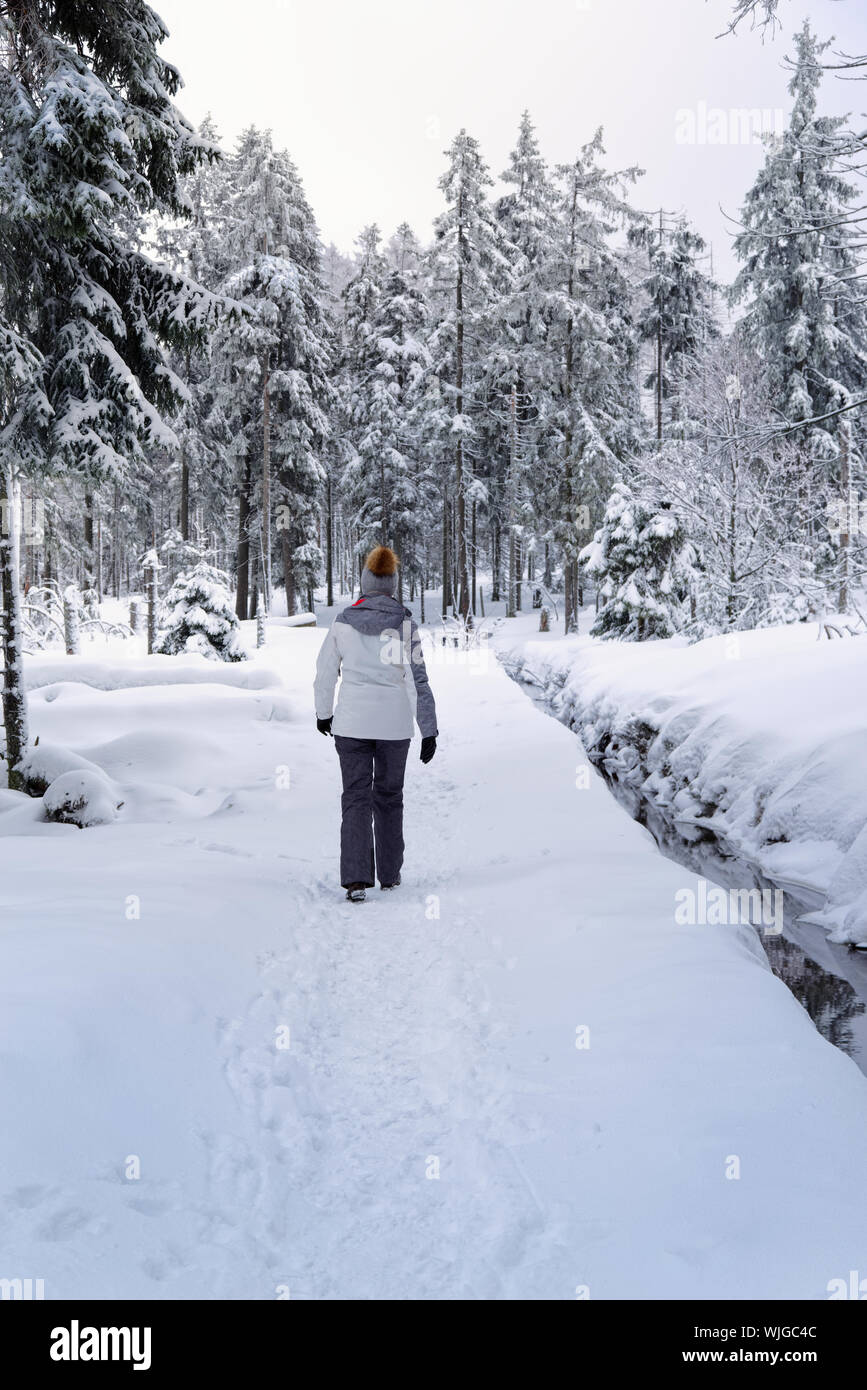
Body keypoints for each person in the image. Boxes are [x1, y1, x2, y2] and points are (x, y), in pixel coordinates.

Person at [314, 545, 438, 902]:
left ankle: (355, 880)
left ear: (365, 584)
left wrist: (324, 712)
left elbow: (325, 672)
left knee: (355, 797)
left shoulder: (342, 622)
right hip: (394, 727)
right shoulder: (404, 624)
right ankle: (389, 873)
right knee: (389, 797)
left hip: (351, 724)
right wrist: (428, 729)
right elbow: (419, 681)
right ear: (393, 586)